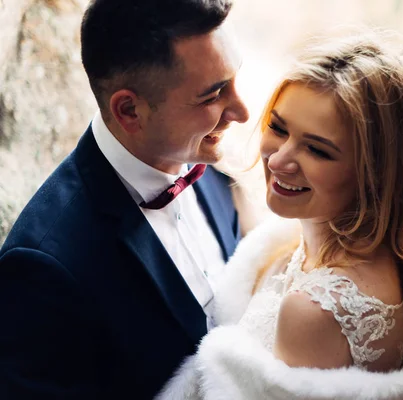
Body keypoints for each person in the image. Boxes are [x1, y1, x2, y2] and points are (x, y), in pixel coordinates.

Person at [158, 30, 403, 400]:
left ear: (376, 172)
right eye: (278, 128)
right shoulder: (337, 244)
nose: (279, 159)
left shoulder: (315, 310)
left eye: (317, 150)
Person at [0, 0, 249, 398]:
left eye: (235, 80)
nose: (241, 111)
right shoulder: (43, 269)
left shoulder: (212, 170)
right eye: (212, 96)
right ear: (129, 110)